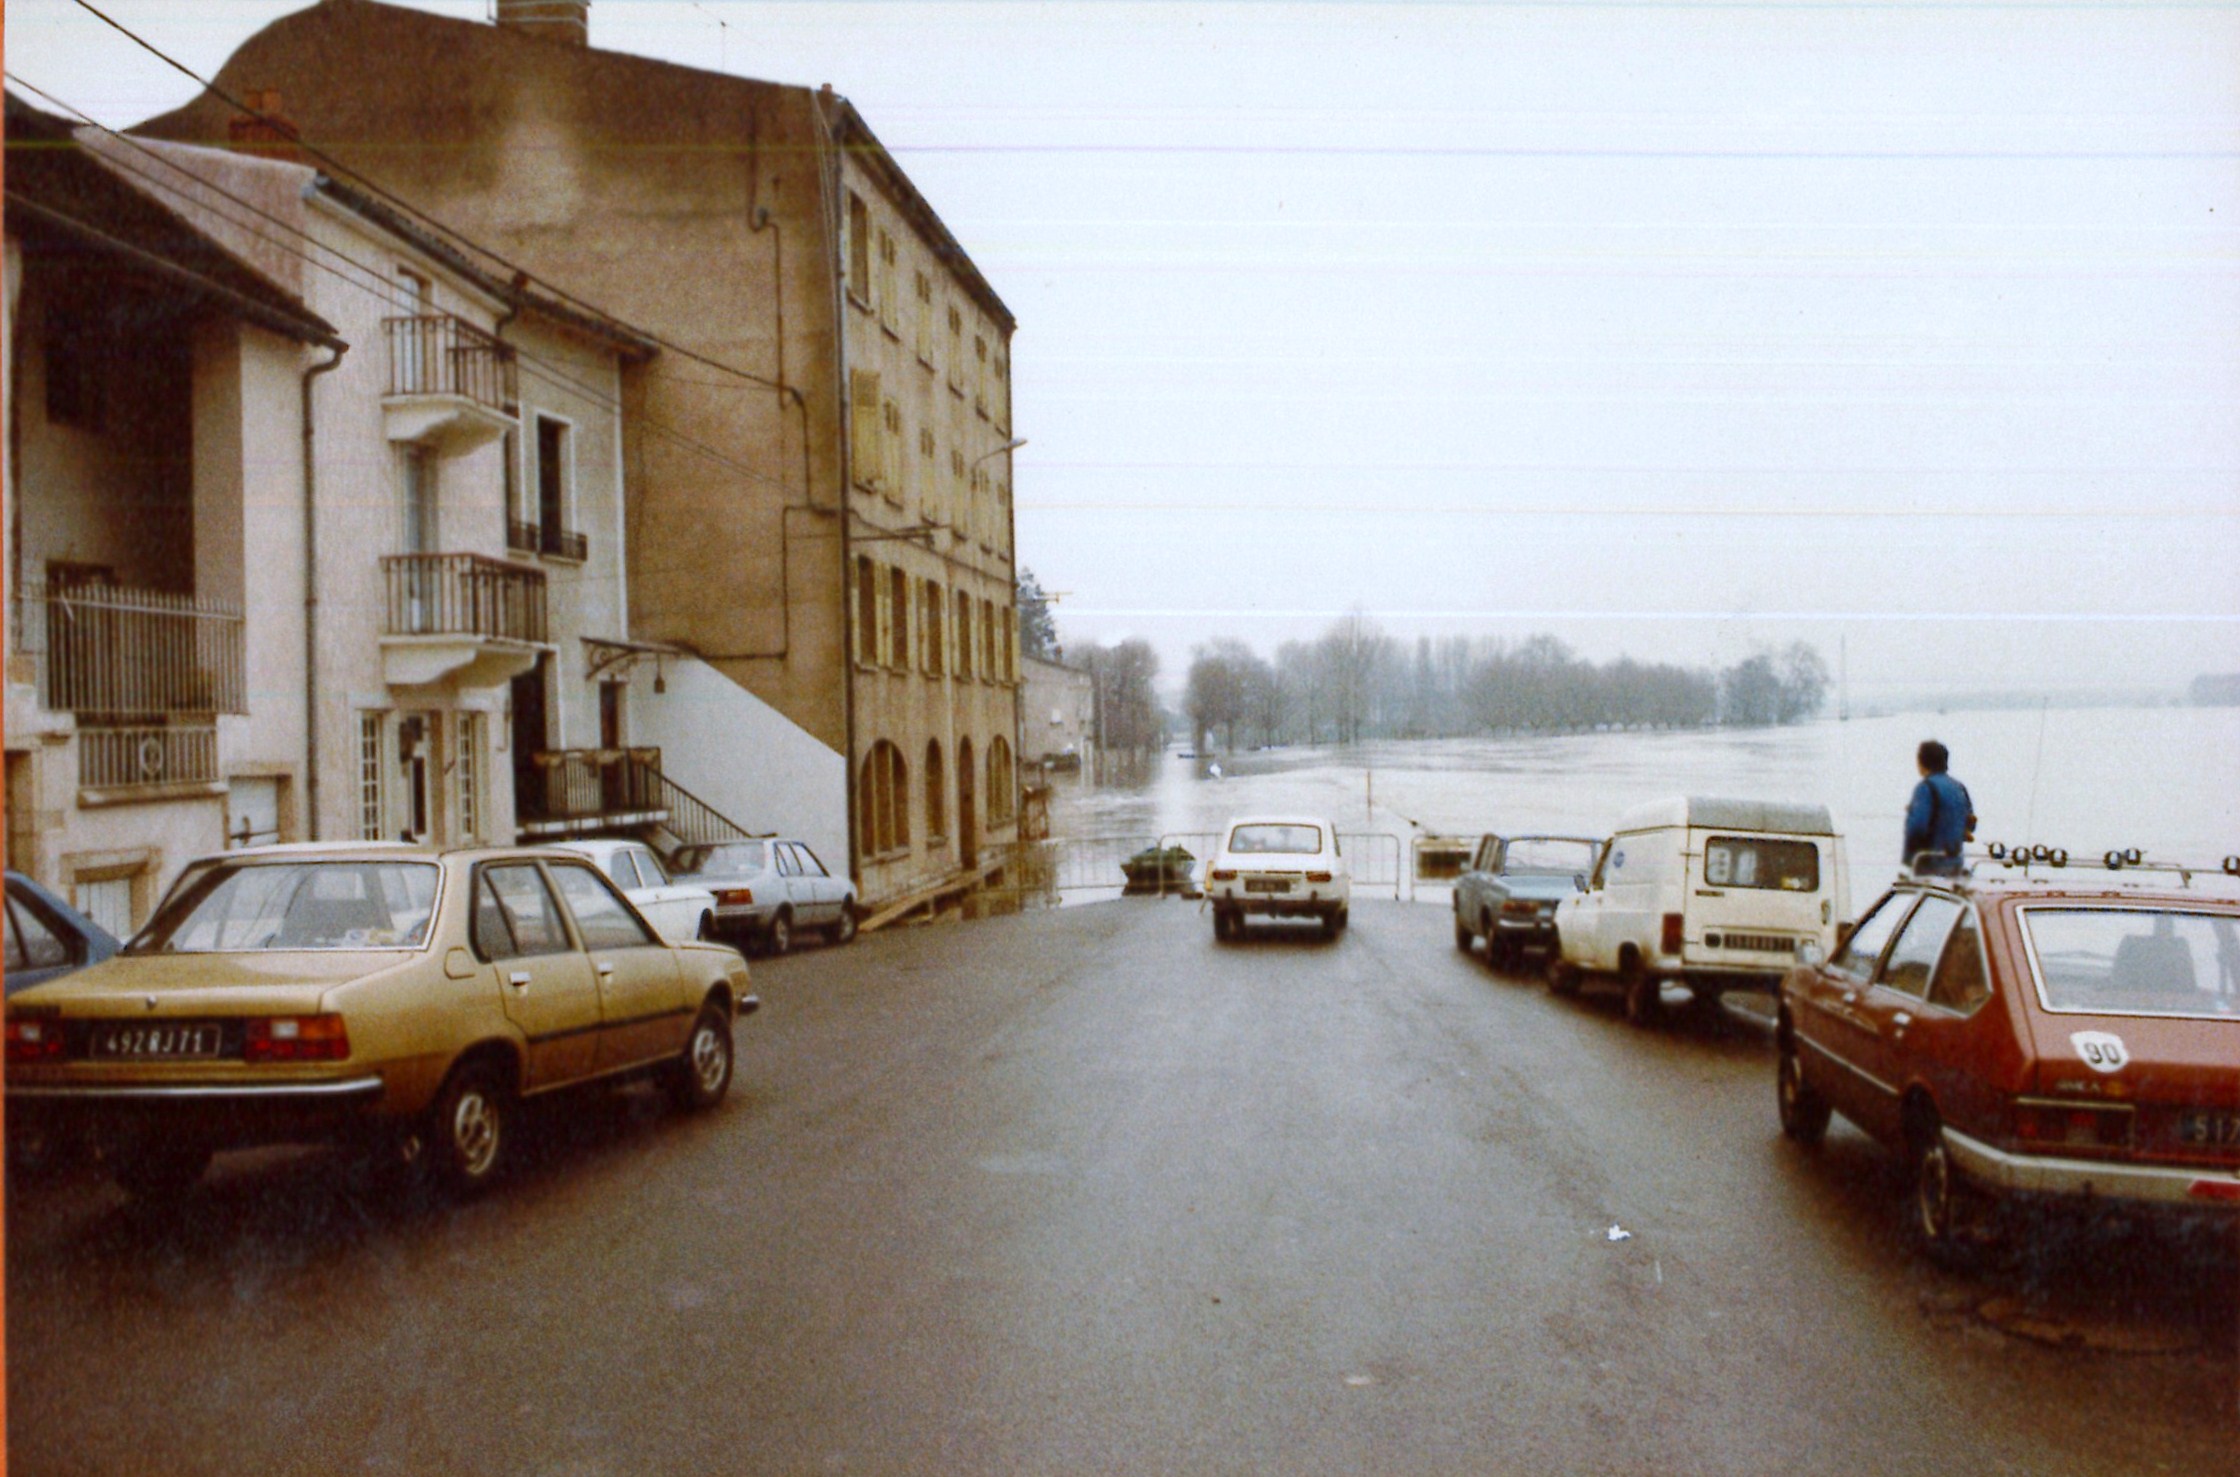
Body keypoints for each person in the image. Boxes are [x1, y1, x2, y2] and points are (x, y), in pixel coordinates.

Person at [1904, 740, 1975, 875]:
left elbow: (1917, 827)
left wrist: (1912, 813)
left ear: (1922, 762)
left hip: (1930, 861)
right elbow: (1970, 825)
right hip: (1955, 861)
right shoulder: (1959, 787)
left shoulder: (1926, 788)